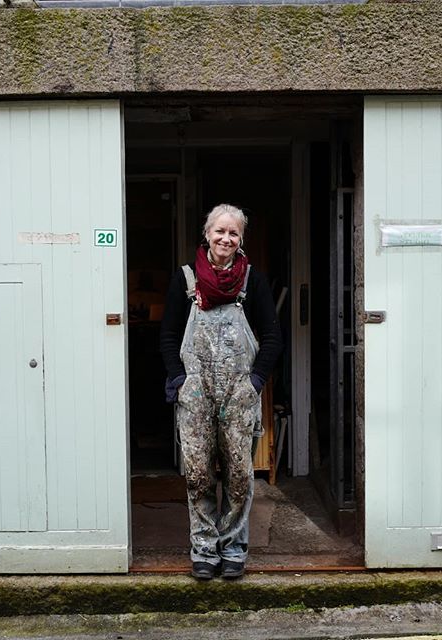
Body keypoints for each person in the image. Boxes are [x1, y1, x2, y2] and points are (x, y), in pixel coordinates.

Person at [160, 203, 282, 580]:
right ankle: (203, 549)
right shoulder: (185, 281)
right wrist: (180, 380)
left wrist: (255, 382)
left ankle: (232, 548)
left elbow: (274, 338)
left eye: (234, 233)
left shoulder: (252, 282)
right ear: (207, 234)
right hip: (196, 394)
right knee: (197, 474)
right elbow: (167, 336)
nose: (226, 239)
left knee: (238, 475)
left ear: (240, 239)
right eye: (220, 231)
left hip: (238, 394)